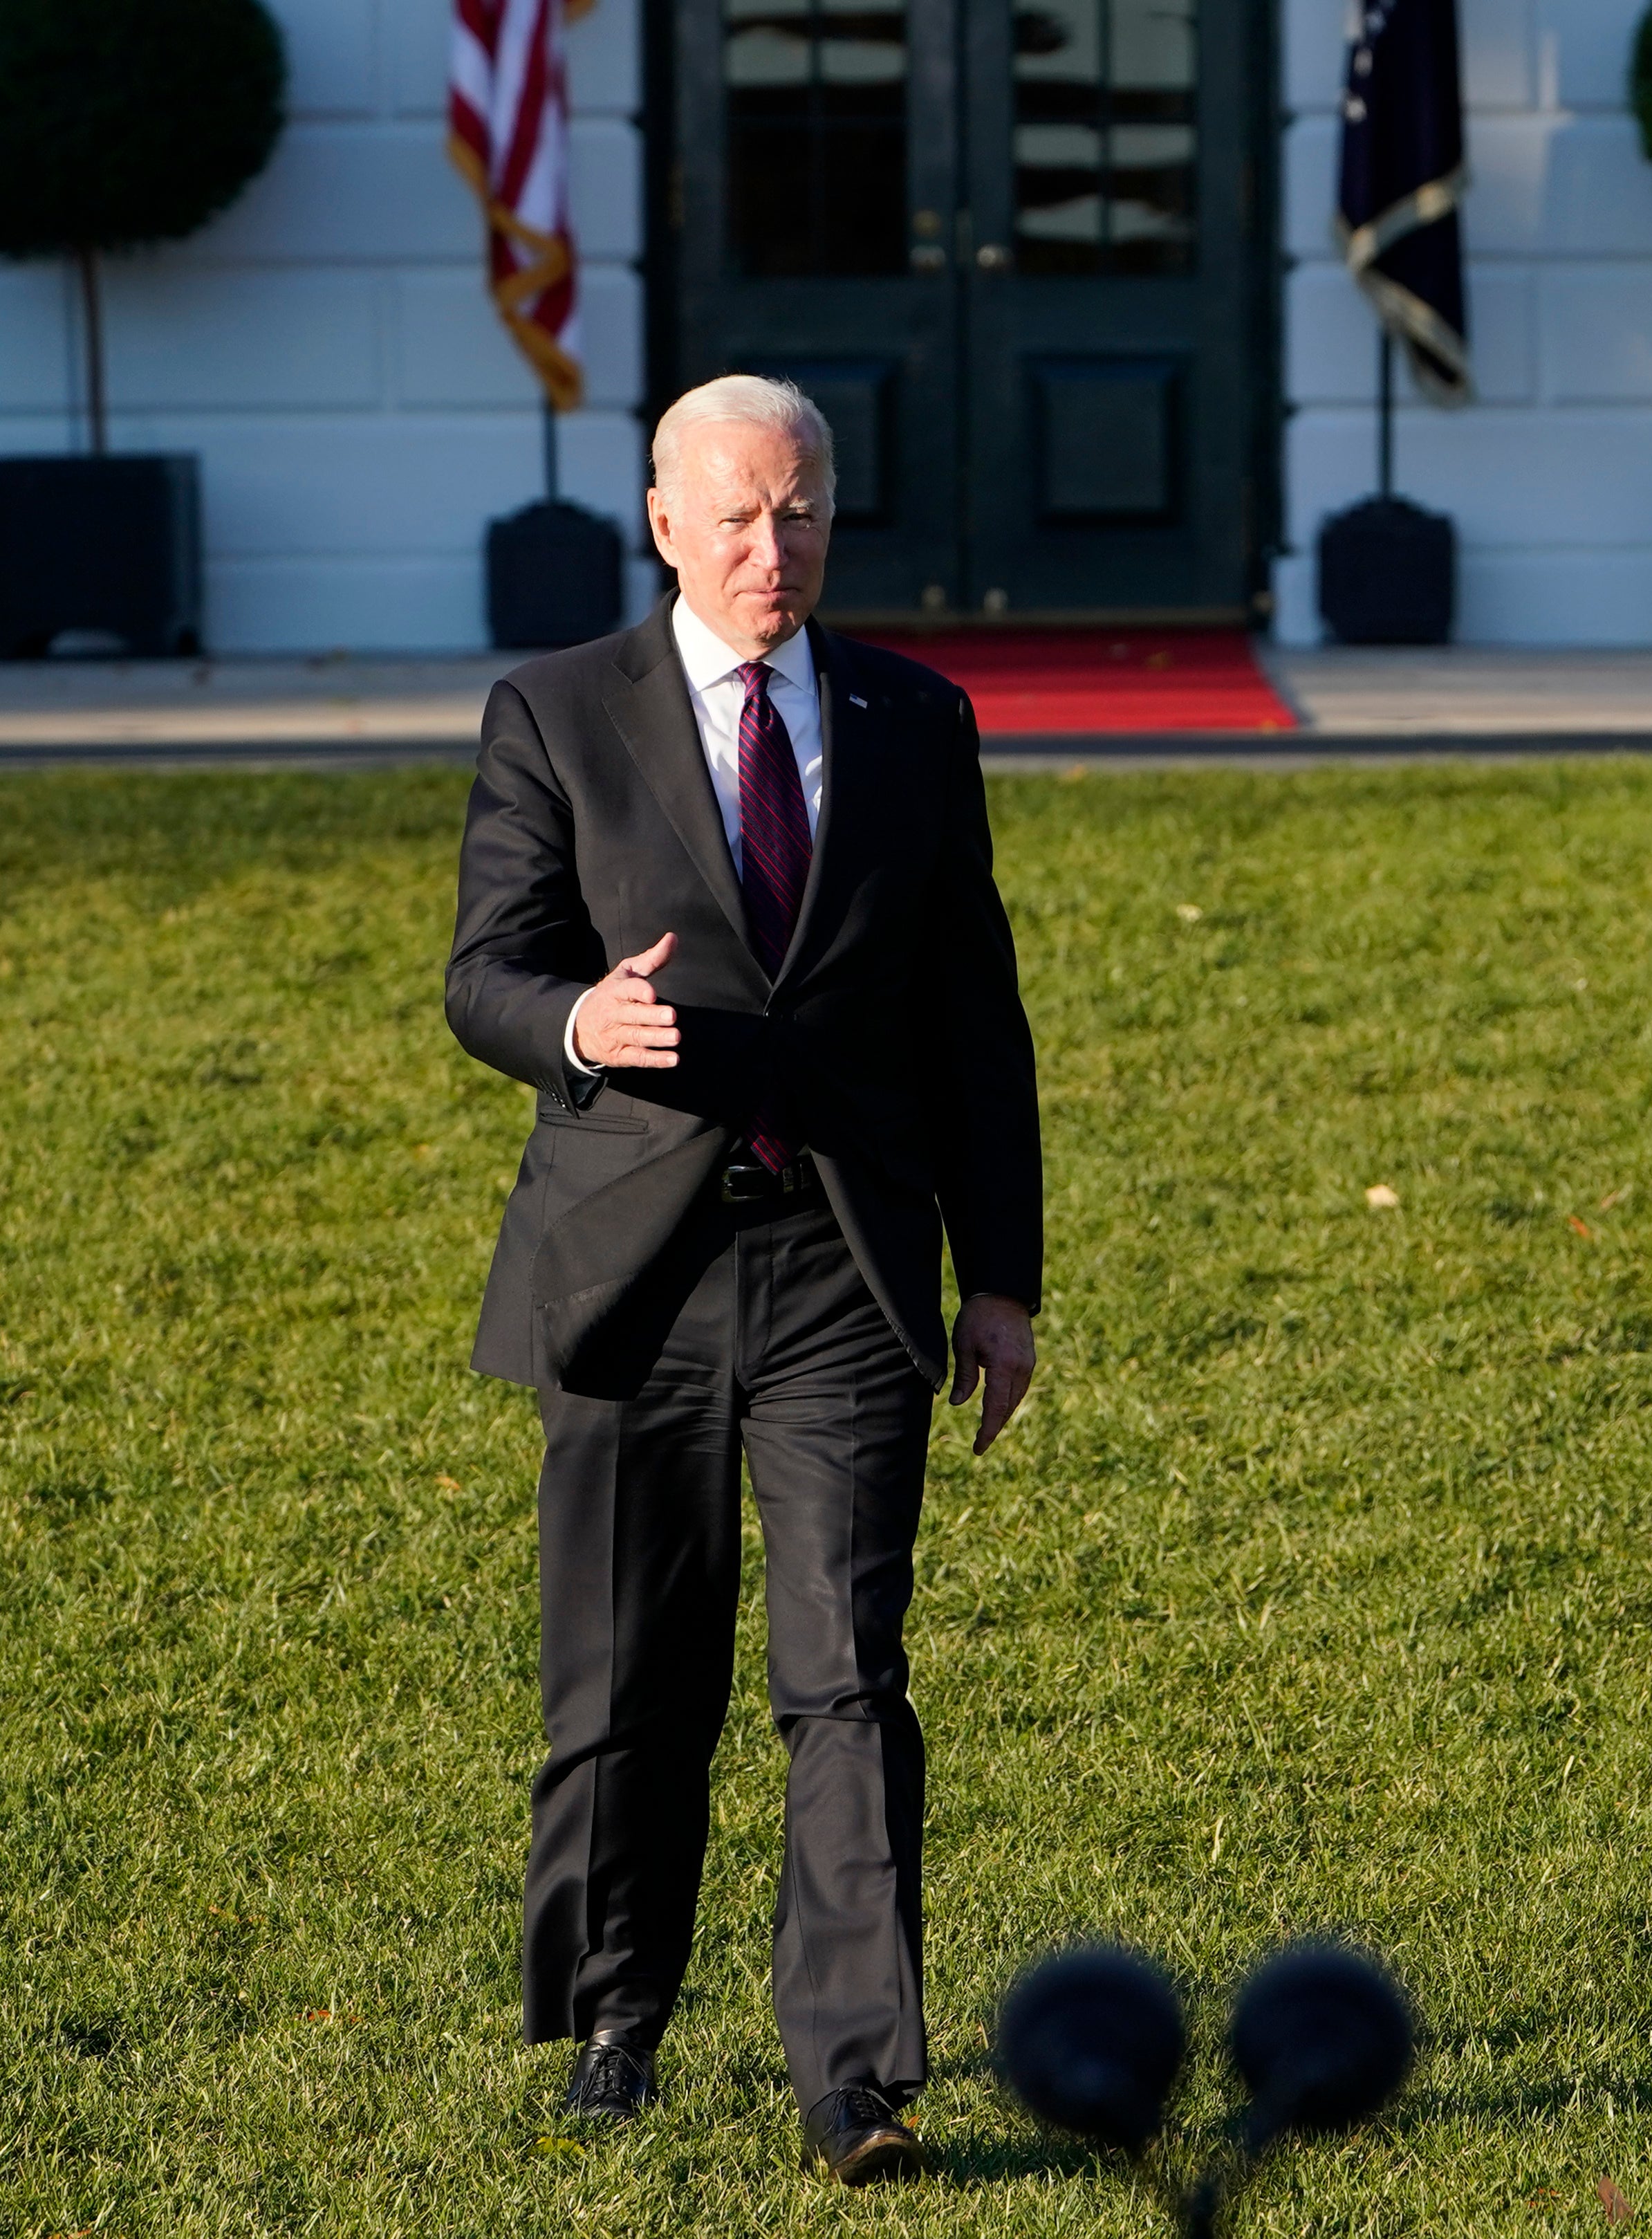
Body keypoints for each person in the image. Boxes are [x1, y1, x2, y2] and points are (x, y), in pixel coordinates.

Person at [445, 374, 1043, 2185]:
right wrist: (576, 1020)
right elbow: (483, 970)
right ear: (663, 521)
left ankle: (857, 2071)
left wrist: (1001, 1280)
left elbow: (974, 1019)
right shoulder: (557, 710)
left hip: (844, 1263)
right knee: (628, 1668)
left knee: (848, 1670)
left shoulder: (916, 719)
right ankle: (617, 2016)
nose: (771, 550)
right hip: (632, 1265)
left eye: (800, 515)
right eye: (736, 518)